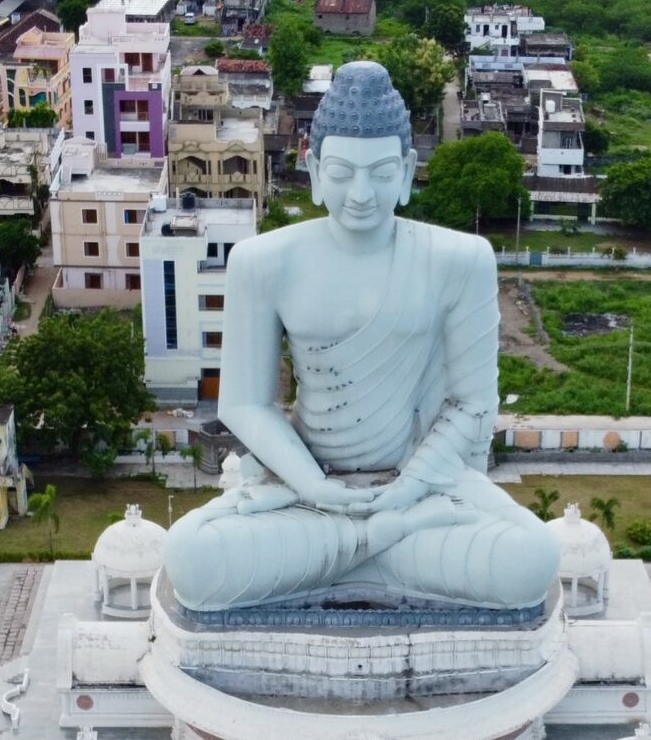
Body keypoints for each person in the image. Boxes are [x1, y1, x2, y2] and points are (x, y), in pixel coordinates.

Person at [159, 60, 557, 613]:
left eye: (381, 172)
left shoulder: (460, 260)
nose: (362, 193)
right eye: (343, 172)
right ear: (315, 170)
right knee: (192, 559)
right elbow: (245, 405)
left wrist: (408, 488)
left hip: (420, 488)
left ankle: (351, 554)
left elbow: (473, 403)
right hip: (308, 494)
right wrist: (317, 488)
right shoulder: (263, 262)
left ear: (409, 169)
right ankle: (379, 545)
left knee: (530, 559)